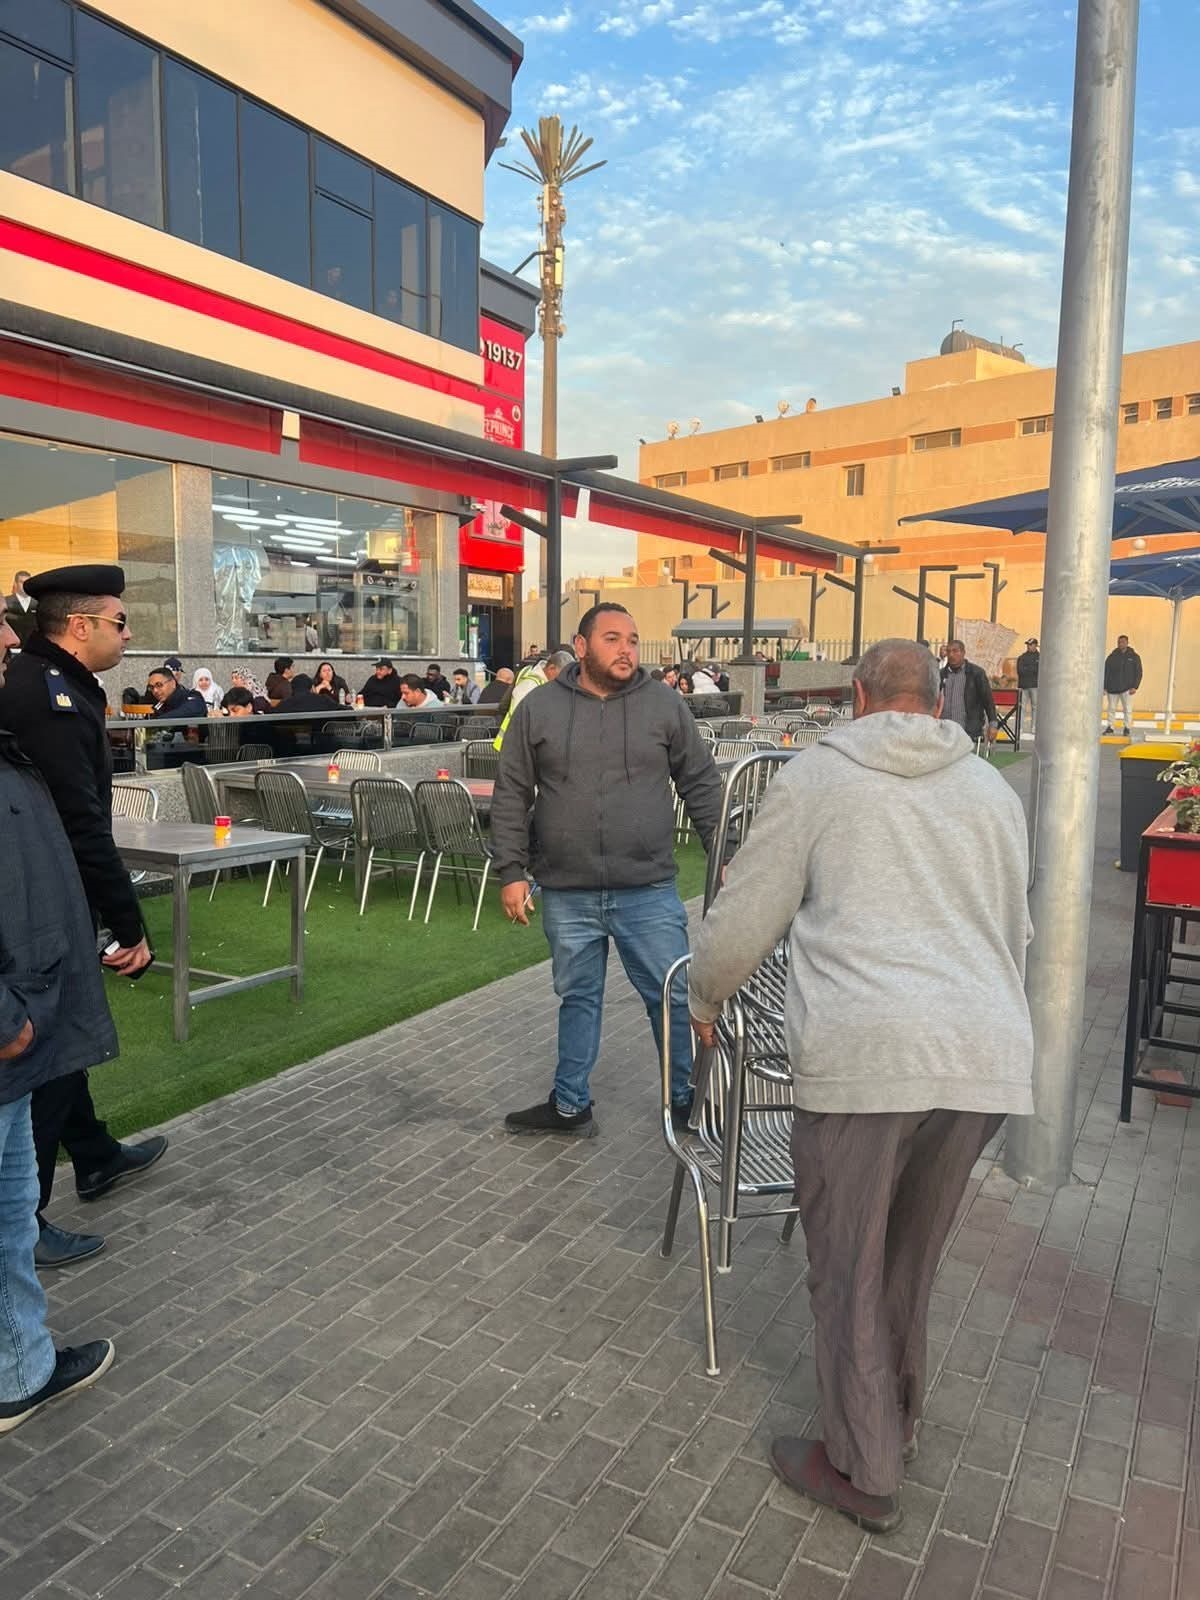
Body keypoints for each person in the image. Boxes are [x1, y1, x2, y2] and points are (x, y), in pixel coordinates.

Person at [687, 639, 1034, 1534]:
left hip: (867, 1056)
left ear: (857, 695)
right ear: (939, 700)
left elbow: (744, 916)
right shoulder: (992, 789)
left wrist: (705, 997)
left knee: (847, 1266)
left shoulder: (817, 779)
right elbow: (1018, 926)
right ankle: (894, 1422)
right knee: (909, 1259)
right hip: (981, 1055)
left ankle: (862, 1466)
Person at [492, 603, 723, 1136]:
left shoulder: (664, 704)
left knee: (671, 997)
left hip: (647, 889)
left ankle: (684, 1100)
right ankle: (570, 1104)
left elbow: (701, 783)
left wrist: (725, 850)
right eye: (613, 638)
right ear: (581, 646)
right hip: (566, 890)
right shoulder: (539, 708)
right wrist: (511, 870)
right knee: (577, 997)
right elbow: (511, 792)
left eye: (633, 640)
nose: (626, 650)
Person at [0, 566, 168, 1267]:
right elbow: (84, 824)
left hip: (47, 894)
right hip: (43, 904)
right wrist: (129, 924)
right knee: (47, 1053)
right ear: (80, 627)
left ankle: (94, 1154)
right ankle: (26, 1220)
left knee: (61, 1044)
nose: (128, 635)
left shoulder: (55, 683)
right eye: (120, 623)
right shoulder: (49, 696)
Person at [0, 612, 116, 1433]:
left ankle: (20, 1367)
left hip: (24, 1017)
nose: (9, 646)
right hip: (12, 1021)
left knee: (11, 1214)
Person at [493, 650, 574, 750]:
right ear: (551, 668)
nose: (562, 681)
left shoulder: (529, 672)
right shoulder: (530, 685)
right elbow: (521, 719)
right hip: (515, 747)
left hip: (513, 745)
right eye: (561, 676)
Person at [940, 639, 997, 746]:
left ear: (963, 652)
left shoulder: (976, 673)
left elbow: (988, 700)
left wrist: (993, 724)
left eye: (955, 651)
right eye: (948, 651)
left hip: (968, 730)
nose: (951, 655)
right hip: (944, 730)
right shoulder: (941, 674)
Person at [1103, 634, 1142, 736]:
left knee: (1127, 709)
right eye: (1119, 642)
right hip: (1112, 688)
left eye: (1123, 642)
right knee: (1111, 709)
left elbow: (1138, 672)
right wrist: (1105, 687)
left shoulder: (1134, 657)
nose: (1121, 644)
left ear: (1127, 643)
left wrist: (1135, 686)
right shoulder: (1112, 657)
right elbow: (1106, 672)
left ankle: (1127, 728)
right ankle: (1110, 727)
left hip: (1127, 689)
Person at [4, 570, 36, 647]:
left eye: (27, 582)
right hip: (11, 647)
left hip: (33, 648)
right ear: (15, 584)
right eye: (22, 582)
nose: (25, 585)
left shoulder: (38, 603)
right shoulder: (5, 603)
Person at [1016, 637, 1040, 736]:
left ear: (1035, 645)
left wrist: (1027, 668)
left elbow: (1039, 671)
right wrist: (1032, 669)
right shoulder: (1022, 657)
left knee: (1035, 707)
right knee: (1021, 707)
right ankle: (1020, 728)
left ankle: (1034, 727)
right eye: (1028, 645)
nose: (1029, 646)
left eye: (1031, 645)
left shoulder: (1040, 657)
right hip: (1024, 685)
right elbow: (1020, 671)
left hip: (1035, 685)